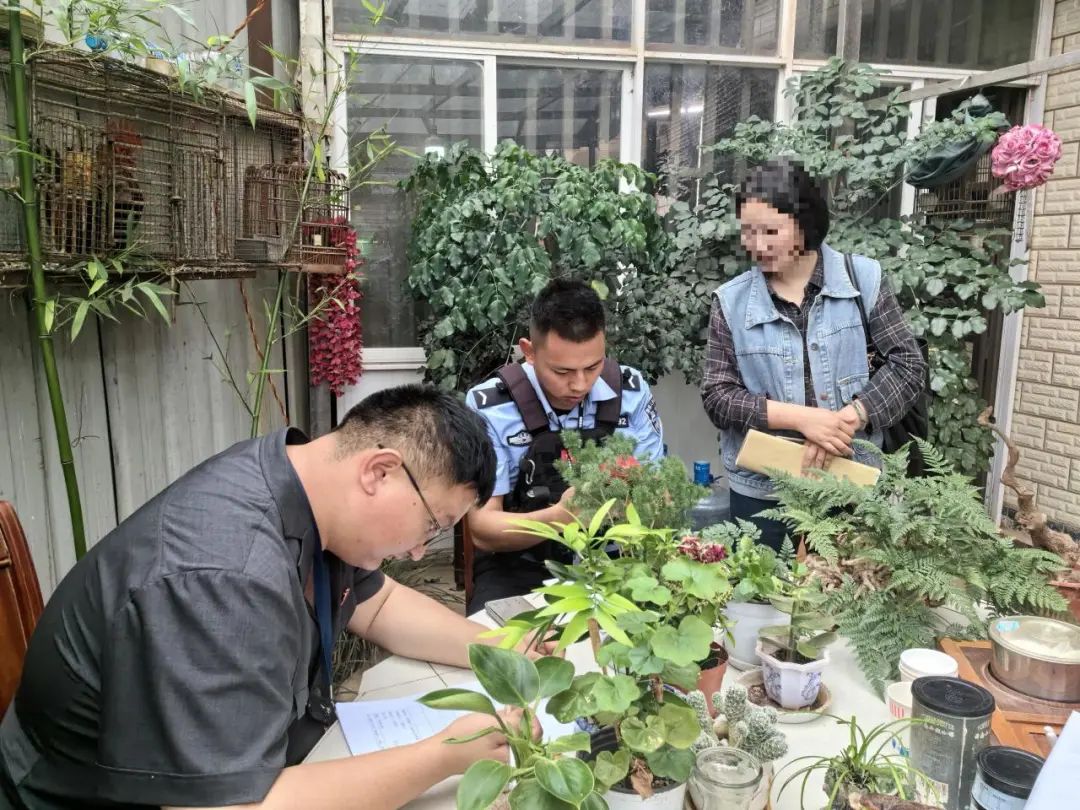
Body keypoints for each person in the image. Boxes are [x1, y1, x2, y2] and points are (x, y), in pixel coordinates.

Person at [0, 385, 549, 810]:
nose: (418, 550)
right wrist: (445, 756)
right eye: (432, 525)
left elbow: (378, 605)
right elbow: (225, 807)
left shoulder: (305, 484)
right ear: (379, 472)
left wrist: (500, 647)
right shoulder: (224, 577)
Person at [701, 158, 926, 551]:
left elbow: (907, 365)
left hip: (850, 481)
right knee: (762, 588)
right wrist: (805, 420)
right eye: (748, 231)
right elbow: (718, 396)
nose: (757, 245)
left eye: (770, 231)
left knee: (851, 584)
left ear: (805, 223)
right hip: (763, 489)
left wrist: (844, 422)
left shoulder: (863, 280)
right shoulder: (732, 301)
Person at [465, 278, 664, 613]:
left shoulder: (631, 391)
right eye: (562, 371)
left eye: (593, 366)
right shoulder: (491, 407)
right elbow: (483, 528)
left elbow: (660, 493)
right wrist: (561, 517)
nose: (580, 384)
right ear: (529, 351)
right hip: (519, 565)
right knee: (497, 642)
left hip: (617, 560)